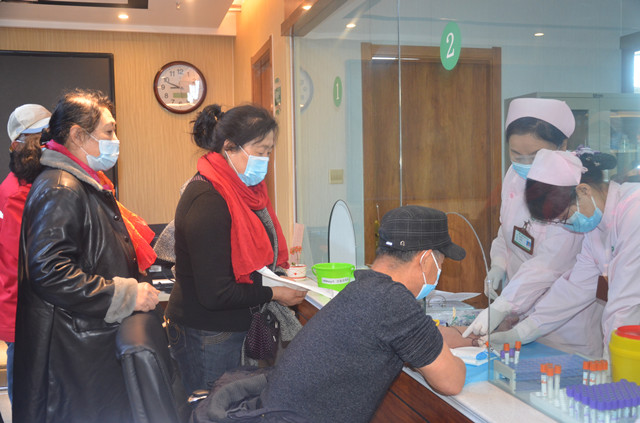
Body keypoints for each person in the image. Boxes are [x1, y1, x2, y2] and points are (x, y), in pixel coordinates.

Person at [12, 89, 160, 423]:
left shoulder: (81, 182)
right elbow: (50, 271)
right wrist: (124, 294)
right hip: (71, 352)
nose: (115, 141)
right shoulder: (61, 186)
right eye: (108, 131)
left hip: (84, 341)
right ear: (78, 135)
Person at [260, 205, 468, 423]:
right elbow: (451, 381)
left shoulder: (364, 287)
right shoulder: (393, 301)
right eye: (441, 263)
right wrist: (463, 362)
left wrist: (468, 335)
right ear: (425, 260)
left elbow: (421, 336)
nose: (439, 271)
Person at [164, 104, 306, 395]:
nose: (265, 160)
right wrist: (274, 293)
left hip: (228, 326)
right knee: (214, 409)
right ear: (230, 147)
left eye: (269, 152)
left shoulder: (244, 192)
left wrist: (278, 278)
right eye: (259, 151)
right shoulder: (209, 200)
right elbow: (216, 293)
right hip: (208, 333)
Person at [463, 98, 596, 355]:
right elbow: (507, 229)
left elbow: (550, 264)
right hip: (518, 305)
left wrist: (503, 305)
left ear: (562, 146)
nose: (524, 163)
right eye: (516, 154)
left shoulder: (570, 188)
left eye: (535, 156)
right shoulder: (515, 175)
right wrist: (499, 263)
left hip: (563, 322)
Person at [491, 148, 638, 360]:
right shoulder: (596, 229)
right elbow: (575, 287)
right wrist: (523, 331)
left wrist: (612, 364)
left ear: (583, 191)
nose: (568, 225)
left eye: (566, 217)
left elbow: (625, 303)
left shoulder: (634, 209)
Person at [0, 104, 51, 406]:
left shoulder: (28, 185)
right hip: (24, 309)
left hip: (30, 306)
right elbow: (30, 260)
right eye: (40, 138)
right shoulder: (16, 194)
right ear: (18, 145)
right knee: (28, 395)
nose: (47, 145)